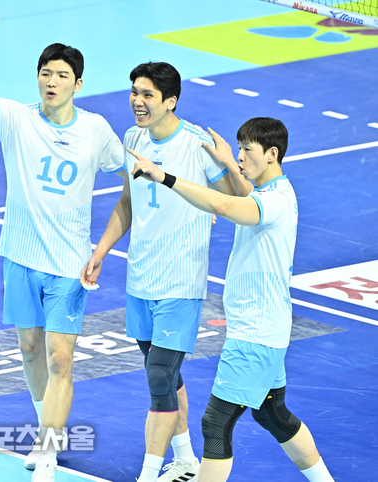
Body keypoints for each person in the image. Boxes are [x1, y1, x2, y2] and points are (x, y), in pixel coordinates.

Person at [0, 14, 126, 482]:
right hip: (20, 256)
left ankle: (50, 452)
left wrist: (105, 246)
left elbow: (134, 178)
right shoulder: (17, 119)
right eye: (45, 73)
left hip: (69, 265)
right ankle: (44, 430)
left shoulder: (96, 130)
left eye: (61, 75)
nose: (52, 82)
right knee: (30, 349)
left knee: (60, 358)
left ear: (78, 84)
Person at [127, 117, 334, 482]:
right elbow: (245, 197)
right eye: (238, 149)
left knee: (216, 424)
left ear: (272, 154)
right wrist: (226, 161)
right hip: (266, 330)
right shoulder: (276, 191)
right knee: (273, 414)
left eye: (247, 150)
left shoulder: (273, 202)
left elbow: (224, 206)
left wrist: (165, 177)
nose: (240, 156)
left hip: (254, 334)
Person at [81, 62, 252, 482]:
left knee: (159, 375)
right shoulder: (132, 139)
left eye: (147, 95)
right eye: (134, 92)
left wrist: (228, 165)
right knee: (165, 374)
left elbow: (238, 203)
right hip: (141, 277)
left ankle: (148, 473)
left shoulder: (196, 144)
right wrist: (101, 250)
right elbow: (128, 201)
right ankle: (187, 460)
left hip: (181, 280)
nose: (137, 102)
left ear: (170, 101)